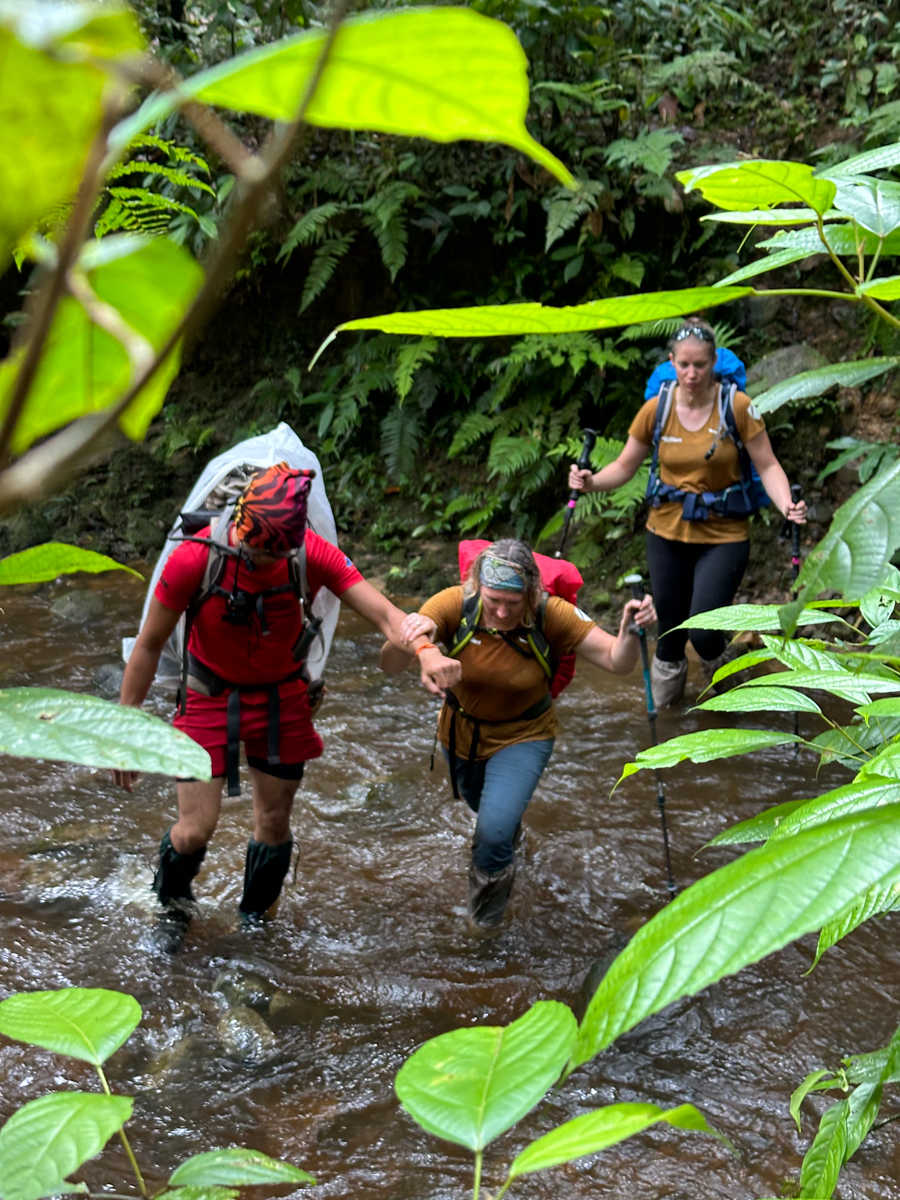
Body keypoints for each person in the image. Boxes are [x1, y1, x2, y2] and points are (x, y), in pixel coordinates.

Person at [114, 462, 456, 951]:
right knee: (194, 830)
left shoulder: (308, 554)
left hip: (281, 700)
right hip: (209, 698)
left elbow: (386, 615)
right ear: (239, 525)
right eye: (252, 552)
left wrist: (425, 651)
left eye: (272, 555)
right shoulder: (194, 558)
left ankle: (254, 923)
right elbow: (149, 644)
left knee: (273, 823)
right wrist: (125, 729)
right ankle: (171, 910)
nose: (259, 562)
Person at [380, 538, 656, 929]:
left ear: (532, 593)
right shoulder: (455, 603)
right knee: (486, 813)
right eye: (493, 600)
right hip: (460, 734)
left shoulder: (552, 613)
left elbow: (617, 661)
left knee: (490, 834)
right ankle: (508, 837)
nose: (502, 612)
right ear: (477, 588)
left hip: (524, 735)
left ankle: (484, 926)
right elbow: (389, 666)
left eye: (513, 602)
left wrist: (630, 631)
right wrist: (410, 637)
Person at [568, 317, 807, 707]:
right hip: (665, 534)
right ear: (671, 362)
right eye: (684, 364)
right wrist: (590, 482)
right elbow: (626, 465)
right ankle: (669, 716)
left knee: (706, 632)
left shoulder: (739, 406)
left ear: (714, 362)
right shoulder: (656, 408)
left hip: (724, 536)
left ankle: (732, 682)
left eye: (700, 364)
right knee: (669, 635)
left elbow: (767, 465)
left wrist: (787, 506)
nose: (692, 373)